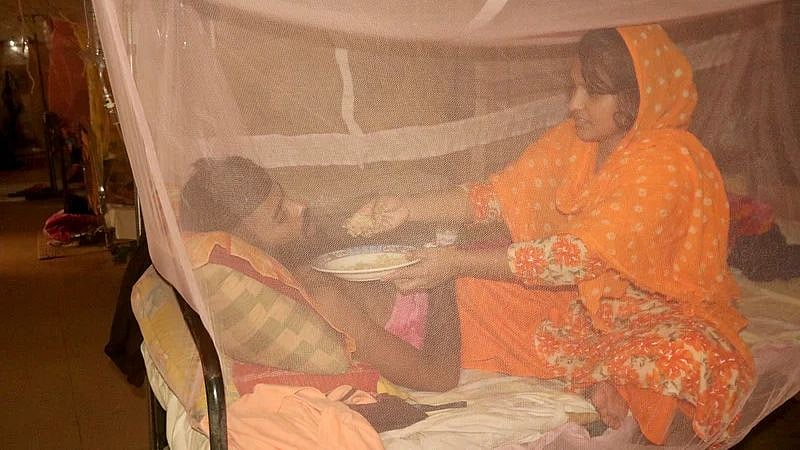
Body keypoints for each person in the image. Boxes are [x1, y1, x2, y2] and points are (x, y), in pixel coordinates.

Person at [348, 25, 754, 445]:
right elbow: (494, 196)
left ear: (636, 97)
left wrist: (455, 259)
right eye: (574, 87)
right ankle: (611, 381)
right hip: (579, 307)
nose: (574, 104)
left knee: (698, 360)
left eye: (592, 93)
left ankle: (623, 383)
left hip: (659, 316)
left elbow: (578, 257)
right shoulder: (577, 140)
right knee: (464, 287)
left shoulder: (667, 160)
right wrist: (406, 207)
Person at [179, 156, 460, 392]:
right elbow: (439, 377)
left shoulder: (308, 263)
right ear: (249, 246)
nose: (301, 206)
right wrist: (446, 278)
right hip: (473, 306)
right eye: (280, 215)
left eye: (285, 197)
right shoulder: (322, 300)